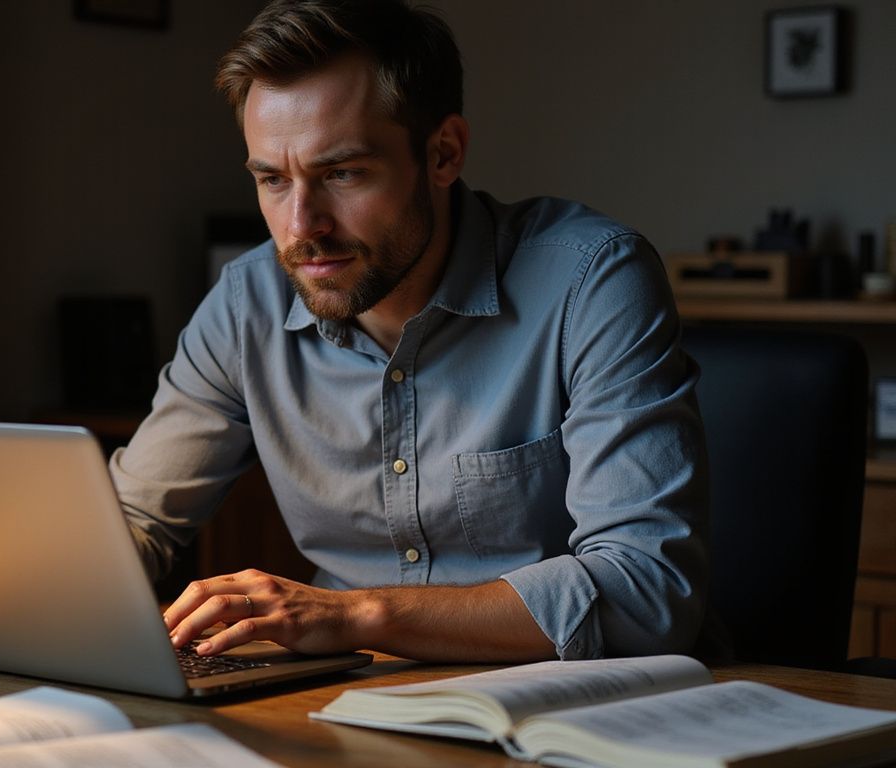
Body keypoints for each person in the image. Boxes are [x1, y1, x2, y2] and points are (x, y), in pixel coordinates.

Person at [110, 0, 709, 663]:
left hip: (567, 713)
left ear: (444, 153)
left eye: (342, 173)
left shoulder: (590, 280)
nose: (302, 227)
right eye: (274, 181)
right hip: (341, 704)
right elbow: (128, 525)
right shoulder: (245, 303)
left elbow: (647, 593)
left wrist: (357, 614)